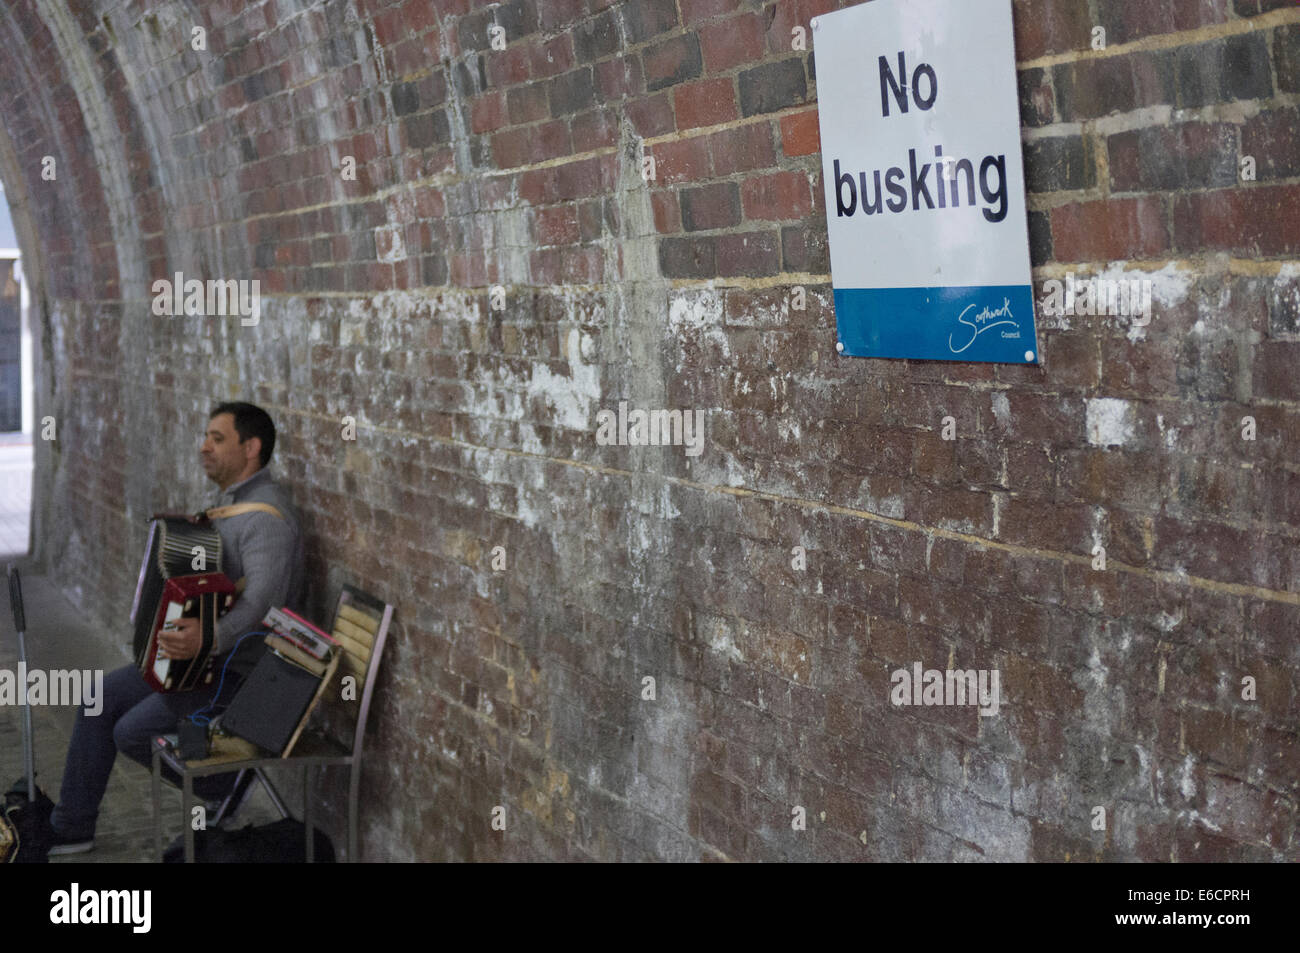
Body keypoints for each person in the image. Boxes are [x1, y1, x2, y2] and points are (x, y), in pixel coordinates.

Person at [47, 402, 304, 855]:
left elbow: (265, 604)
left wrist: (208, 637)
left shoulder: (266, 521)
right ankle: (71, 826)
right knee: (98, 699)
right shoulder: (231, 505)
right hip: (201, 661)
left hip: (238, 672)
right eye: (205, 436)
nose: (204, 447)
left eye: (217, 438)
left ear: (252, 448)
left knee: (132, 731)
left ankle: (223, 782)